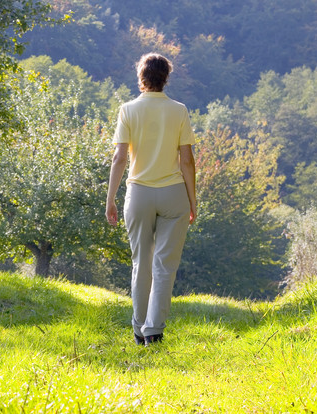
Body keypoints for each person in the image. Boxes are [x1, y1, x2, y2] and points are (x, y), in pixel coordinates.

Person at [105, 53, 196, 346]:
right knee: (164, 265)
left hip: (138, 194)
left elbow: (119, 158)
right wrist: (193, 201)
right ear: (166, 77)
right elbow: (187, 161)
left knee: (140, 263)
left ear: (141, 76)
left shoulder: (128, 110)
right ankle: (153, 330)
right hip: (173, 193)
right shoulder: (179, 110)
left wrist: (110, 199)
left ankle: (137, 327)